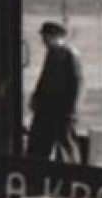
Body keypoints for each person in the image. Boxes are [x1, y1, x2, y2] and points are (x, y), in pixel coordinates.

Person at [26, 21, 83, 162]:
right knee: (38, 144)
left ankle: (74, 176)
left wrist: (72, 110)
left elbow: (78, 84)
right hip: (46, 108)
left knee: (67, 145)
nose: (44, 41)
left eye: (46, 37)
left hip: (62, 110)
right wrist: (36, 97)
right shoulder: (51, 54)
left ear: (56, 37)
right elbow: (44, 79)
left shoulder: (70, 55)